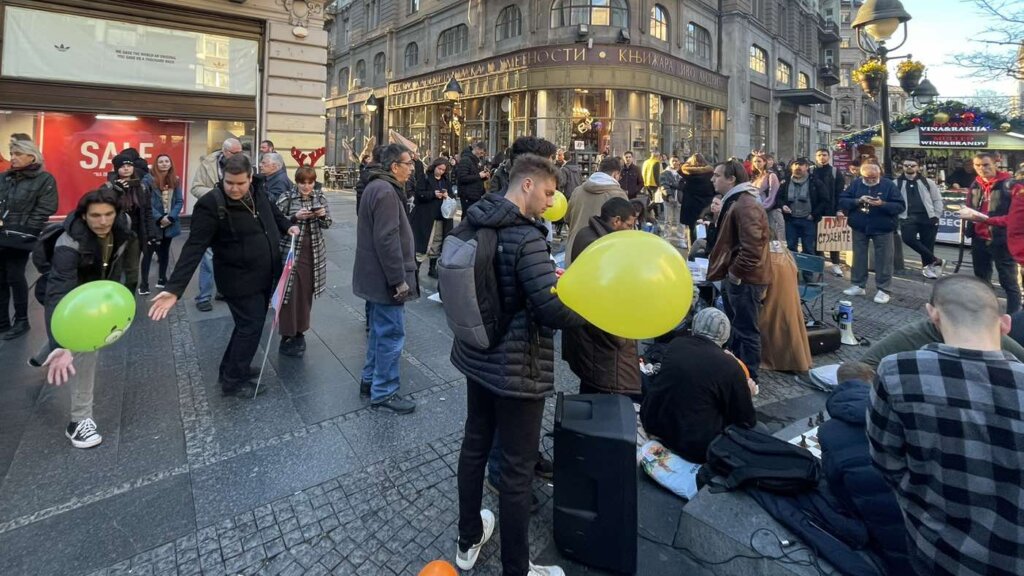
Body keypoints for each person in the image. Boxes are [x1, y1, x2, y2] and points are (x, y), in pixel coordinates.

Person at [453, 154, 584, 576]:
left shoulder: (474, 219)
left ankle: (468, 539)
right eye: (548, 192)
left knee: (474, 447)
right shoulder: (525, 238)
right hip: (517, 370)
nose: (551, 202)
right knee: (516, 470)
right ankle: (517, 569)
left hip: (477, 354)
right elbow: (550, 310)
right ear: (527, 185)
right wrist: (585, 304)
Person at [868, 275, 1024, 576]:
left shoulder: (898, 371)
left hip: (935, 546)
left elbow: (885, 462)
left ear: (933, 315)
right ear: (1005, 324)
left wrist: (921, 500)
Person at [149, 154, 299, 398]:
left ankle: (231, 368)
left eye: (241, 183)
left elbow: (273, 214)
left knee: (247, 326)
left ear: (250, 178)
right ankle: (232, 381)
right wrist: (174, 288)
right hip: (237, 279)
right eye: (230, 182)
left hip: (265, 274)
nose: (235, 188)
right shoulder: (211, 204)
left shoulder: (258, 190)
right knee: (250, 325)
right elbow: (194, 247)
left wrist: (287, 225)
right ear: (222, 178)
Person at [41, 190, 130, 448]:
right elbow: (58, 292)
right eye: (95, 216)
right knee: (85, 351)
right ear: (84, 216)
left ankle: (45, 353)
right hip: (67, 295)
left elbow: (116, 264)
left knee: (81, 347)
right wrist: (61, 342)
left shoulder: (122, 227)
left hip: (96, 294)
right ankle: (79, 422)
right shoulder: (68, 244)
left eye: (108, 215)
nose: (102, 221)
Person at [817, 362, 914, 575]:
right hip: (916, 520)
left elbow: (835, 485)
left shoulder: (828, 431)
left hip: (877, 528)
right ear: (871, 380)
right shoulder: (903, 411)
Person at [640, 308, 757, 464]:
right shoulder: (729, 366)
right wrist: (747, 392)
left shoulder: (677, 345)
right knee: (759, 430)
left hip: (656, 424)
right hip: (694, 444)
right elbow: (746, 419)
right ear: (725, 334)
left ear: (695, 326)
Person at [353, 143, 419, 414]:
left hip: (373, 276)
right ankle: (385, 391)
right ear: (394, 167)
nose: (412, 169)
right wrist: (398, 279)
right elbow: (387, 238)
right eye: (409, 164)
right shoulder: (386, 191)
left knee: (380, 334)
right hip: (384, 279)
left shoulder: (375, 186)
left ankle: (370, 382)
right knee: (391, 335)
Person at [562, 197, 640, 399]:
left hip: (587, 336)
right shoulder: (604, 248)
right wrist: (621, 337)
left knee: (590, 385)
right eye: (629, 225)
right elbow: (605, 299)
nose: (632, 231)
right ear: (616, 221)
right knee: (602, 394)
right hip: (602, 341)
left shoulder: (586, 233)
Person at [707, 159, 772, 383]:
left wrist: (735, 274)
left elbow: (752, 248)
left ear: (731, 179)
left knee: (745, 330)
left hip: (746, 280)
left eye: (717, 175)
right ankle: (738, 373)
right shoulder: (737, 201)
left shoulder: (746, 204)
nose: (712, 179)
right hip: (740, 278)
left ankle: (749, 377)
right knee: (739, 328)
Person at [0, 138, 57, 339]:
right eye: (11, 154)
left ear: (31, 156)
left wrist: (24, 227)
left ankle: (22, 320)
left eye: (17, 154)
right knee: (1, 278)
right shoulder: (5, 178)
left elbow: (46, 208)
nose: (12, 158)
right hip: (2, 233)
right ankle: (3, 321)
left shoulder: (44, 179)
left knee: (15, 276)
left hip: (20, 237)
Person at [276, 166, 332, 357]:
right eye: (302, 182)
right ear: (297, 181)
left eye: (310, 182)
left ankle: (300, 331)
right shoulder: (286, 197)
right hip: (290, 252)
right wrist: (294, 217)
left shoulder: (319, 198)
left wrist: (322, 215)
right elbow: (275, 221)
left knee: (306, 293)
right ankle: (286, 333)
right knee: (288, 294)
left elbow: (328, 224)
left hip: (313, 251)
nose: (306, 186)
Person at [190, 138, 244, 311]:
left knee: (228, 257)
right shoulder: (207, 164)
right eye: (234, 153)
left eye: (240, 152)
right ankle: (203, 297)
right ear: (225, 151)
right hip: (211, 216)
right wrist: (218, 194)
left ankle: (223, 290)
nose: (238, 156)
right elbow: (195, 188)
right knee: (207, 258)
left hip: (234, 218)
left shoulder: (244, 164)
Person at [839, 162, 904, 305]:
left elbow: (900, 206)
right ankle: (858, 284)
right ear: (861, 175)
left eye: (874, 177)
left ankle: (884, 289)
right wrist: (858, 201)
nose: (871, 181)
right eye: (867, 178)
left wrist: (883, 204)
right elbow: (843, 199)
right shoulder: (856, 184)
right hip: (860, 226)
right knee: (858, 256)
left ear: (879, 174)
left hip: (883, 227)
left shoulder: (888, 185)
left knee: (885, 258)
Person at [965, 152, 1020, 314]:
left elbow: (1015, 218)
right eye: (978, 165)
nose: (982, 169)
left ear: (996, 164)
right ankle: (986, 313)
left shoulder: (1011, 185)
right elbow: (970, 208)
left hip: (1003, 240)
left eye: (986, 165)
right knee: (981, 280)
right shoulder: (975, 184)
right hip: (979, 239)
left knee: (1009, 282)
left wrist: (987, 219)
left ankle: (1013, 319)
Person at [104, 152, 158, 294]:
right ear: (116, 169)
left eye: (129, 165)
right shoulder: (108, 187)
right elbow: (103, 209)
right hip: (115, 236)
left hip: (135, 234)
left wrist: (151, 233)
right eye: (122, 166)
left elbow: (147, 211)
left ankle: (129, 300)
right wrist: (117, 192)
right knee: (114, 271)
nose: (126, 169)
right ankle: (111, 302)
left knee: (133, 272)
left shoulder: (142, 187)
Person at [758, 238, 811, 372]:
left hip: (774, 300)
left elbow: (762, 288)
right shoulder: (786, 253)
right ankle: (798, 361)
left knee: (773, 329)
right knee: (792, 330)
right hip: (791, 298)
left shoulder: (767, 258)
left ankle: (777, 362)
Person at [564, 156, 627, 265]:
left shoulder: (577, 191)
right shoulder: (618, 195)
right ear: (616, 174)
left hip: (574, 252)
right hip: (603, 257)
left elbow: (567, 218)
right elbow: (626, 229)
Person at [895, 159, 945, 279]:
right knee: (908, 239)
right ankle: (936, 260)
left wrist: (936, 215)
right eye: (906, 165)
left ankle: (928, 268)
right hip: (907, 217)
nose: (909, 167)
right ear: (902, 167)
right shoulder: (896, 183)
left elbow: (937, 199)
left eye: (912, 165)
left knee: (928, 244)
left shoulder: (928, 182)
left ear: (918, 167)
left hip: (927, 216)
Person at [140, 154, 183, 294]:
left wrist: (171, 217)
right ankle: (144, 284)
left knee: (164, 252)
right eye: (161, 162)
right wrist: (159, 218)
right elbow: (146, 203)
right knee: (148, 253)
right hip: (154, 222)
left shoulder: (175, 180)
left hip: (170, 222)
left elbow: (179, 201)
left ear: (170, 164)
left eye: (167, 161)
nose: (164, 164)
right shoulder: (148, 180)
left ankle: (162, 279)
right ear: (156, 164)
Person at [411, 158, 453, 279]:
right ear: (434, 167)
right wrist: (433, 194)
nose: (441, 171)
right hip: (426, 216)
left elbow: (451, 194)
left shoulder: (446, 180)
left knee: (437, 242)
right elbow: (419, 194)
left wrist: (446, 195)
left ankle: (432, 268)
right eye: (439, 168)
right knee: (424, 242)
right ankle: (416, 269)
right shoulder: (425, 178)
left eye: (443, 170)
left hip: (441, 216)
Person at [778, 157, 828, 256]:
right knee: (791, 247)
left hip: (808, 220)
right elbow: (779, 198)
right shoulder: (786, 182)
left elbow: (824, 200)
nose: (798, 167)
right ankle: (793, 271)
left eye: (801, 165)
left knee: (808, 248)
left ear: (807, 167)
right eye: (795, 165)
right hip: (791, 219)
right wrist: (783, 206)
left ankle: (807, 272)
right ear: (791, 167)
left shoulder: (815, 182)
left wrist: (814, 215)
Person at [812, 148, 847, 276]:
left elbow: (840, 192)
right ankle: (819, 263)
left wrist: (839, 209)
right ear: (816, 156)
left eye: (824, 155)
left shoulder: (835, 171)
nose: (822, 157)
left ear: (829, 156)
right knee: (817, 239)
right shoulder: (811, 170)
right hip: (815, 210)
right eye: (819, 155)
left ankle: (836, 264)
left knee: (833, 239)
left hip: (831, 209)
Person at [679, 153, 715, 243]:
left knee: (691, 229)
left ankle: (692, 250)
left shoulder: (685, 173)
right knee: (706, 227)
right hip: (706, 205)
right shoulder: (710, 174)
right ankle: (704, 250)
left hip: (690, 205)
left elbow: (680, 187)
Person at [750, 153, 784, 242]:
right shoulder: (755, 177)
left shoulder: (771, 175)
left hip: (770, 210)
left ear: (765, 162)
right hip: (758, 210)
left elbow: (773, 194)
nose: (757, 163)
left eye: (759, 161)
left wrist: (763, 207)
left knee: (774, 239)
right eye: (755, 161)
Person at [455, 141, 489, 214]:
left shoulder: (476, 160)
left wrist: (484, 176)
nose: (481, 155)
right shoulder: (466, 160)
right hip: (467, 195)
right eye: (481, 153)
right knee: (467, 217)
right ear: (477, 149)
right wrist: (479, 176)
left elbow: (476, 175)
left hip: (475, 194)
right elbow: (462, 178)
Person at [659, 155, 683, 239]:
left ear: (679, 162)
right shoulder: (665, 173)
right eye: (673, 161)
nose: (675, 162)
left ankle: (680, 237)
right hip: (669, 199)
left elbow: (684, 185)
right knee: (668, 220)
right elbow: (664, 185)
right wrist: (669, 196)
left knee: (680, 220)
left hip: (680, 199)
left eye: (676, 161)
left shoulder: (682, 173)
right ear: (669, 162)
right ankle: (667, 237)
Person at [642, 149, 662, 218]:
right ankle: (647, 210)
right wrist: (659, 185)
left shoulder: (646, 162)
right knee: (655, 200)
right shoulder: (656, 162)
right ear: (657, 155)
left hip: (647, 183)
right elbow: (657, 175)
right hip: (654, 183)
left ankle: (656, 214)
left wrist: (644, 183)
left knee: (652, 199)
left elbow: (643, 173)